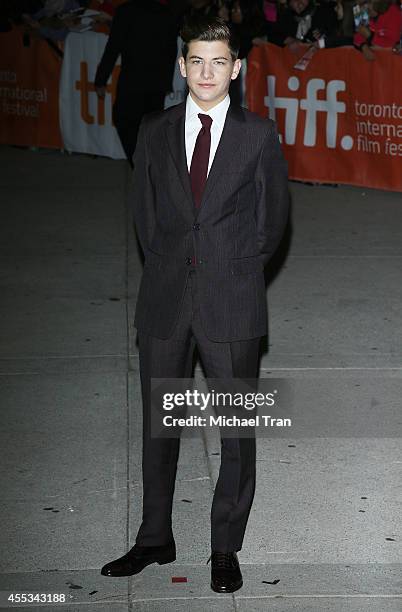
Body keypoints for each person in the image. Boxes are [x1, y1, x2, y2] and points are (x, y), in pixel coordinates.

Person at [100, 15, 289, 594]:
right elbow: (146, 217)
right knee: (160, 425)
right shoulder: (154, 130)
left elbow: (271, 223)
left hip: (230, 300)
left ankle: (224, 546)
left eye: (219, 62)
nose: (207, 73)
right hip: (164, 298)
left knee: (234, 429)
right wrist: (170, 265)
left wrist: (228, 271)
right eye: (196, 62)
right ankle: (155, 535)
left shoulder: (258, 135)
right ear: (181, 67)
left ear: (237, 69)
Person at [94, 0, 178, 166]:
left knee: (124, 120)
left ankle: (140, 165)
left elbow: (113, 47)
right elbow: (171, 50)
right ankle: (149, 167)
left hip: (132, 79)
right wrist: (167, 82)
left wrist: (101, 79)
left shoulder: (126, 11)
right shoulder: (166, 13)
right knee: (151, 128)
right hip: (156, 82)